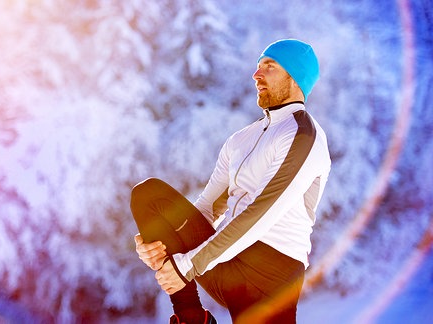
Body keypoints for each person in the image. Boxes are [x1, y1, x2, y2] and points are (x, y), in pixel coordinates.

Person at [130, 39, 331, 324]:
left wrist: (188, 265)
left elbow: (261, 214)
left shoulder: (302, 136)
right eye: (258, 66)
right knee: (149, 196)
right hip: (226, 263)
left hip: (270, 278)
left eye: (269, 67)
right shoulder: (241, 140)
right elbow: (206, 209)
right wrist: (159, 239)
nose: (256, 74)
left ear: (295, 78)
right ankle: (192, 318)